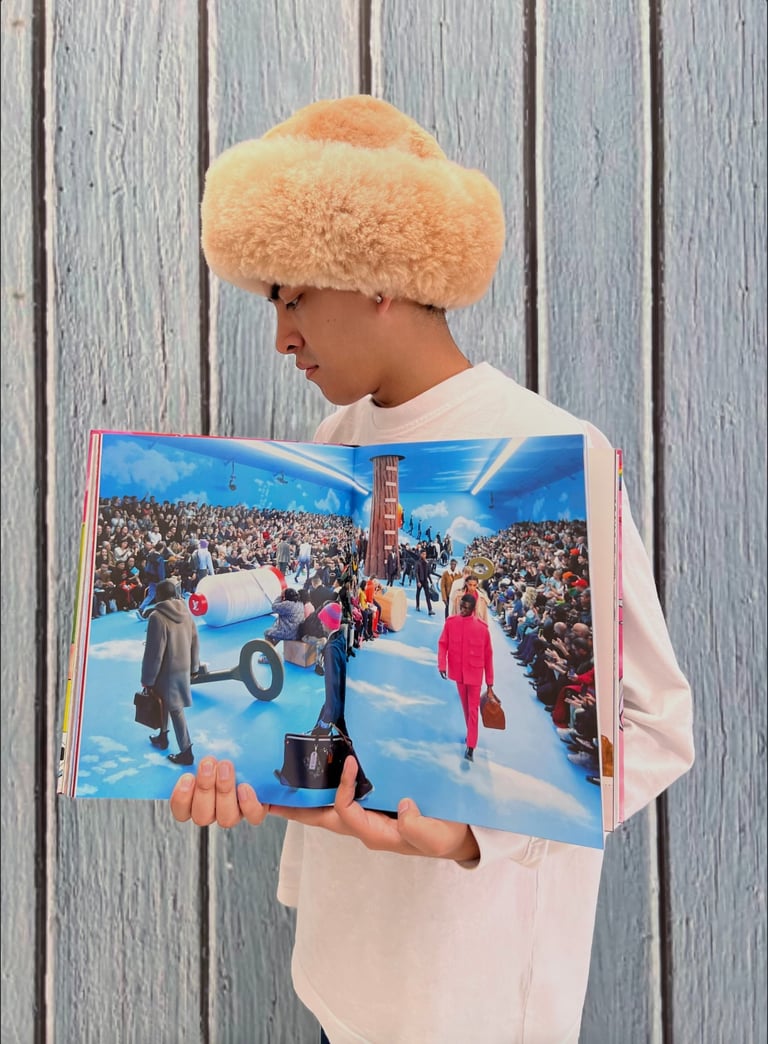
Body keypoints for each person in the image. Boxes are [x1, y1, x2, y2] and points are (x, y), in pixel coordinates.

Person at [169, 95, 694, 1042]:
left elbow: (657, 726)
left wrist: (473, 834)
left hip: (470, 995)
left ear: (377, 274)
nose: (281, 336)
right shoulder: (336, 435)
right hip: (344, 967)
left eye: (293, 296)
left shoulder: (553, 444)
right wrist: (236, 760)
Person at [307, 601, 373, 800]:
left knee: (330, 739)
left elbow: (332, 685)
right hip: (337, 704)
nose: (320, 624)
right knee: (334, 741)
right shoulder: (338, 640)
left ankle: (298, 772)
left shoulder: (330, 650)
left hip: (333, 706)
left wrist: (328, 717)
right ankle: (362, 783)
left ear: (327, 623)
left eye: (322, 621)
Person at [141, 578, 200, 765]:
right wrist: (194, 667)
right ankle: (163, 736)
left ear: (158, 595)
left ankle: (186, 751)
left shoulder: (157, 617)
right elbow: (194, 640)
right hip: (182, 667)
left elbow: (154, 653)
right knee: (166, 703)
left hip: (165, 670)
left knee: (175, 709)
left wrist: (147, 679)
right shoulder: (186, 612)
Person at [438, 592, 496, 761]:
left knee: (473, 709)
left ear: (473, 609)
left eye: (466, 608)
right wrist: (442, 664)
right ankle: (471, 734)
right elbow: (443, 644)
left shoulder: (482, 629)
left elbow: (488, 656)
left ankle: (471, 745)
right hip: (459, 673)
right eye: (461, 606)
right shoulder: (451, 623)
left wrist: (490, 683)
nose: (462, 610)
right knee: (466, 708)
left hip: (475, 674)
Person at [414, 549, 436, 615]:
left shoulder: (427, 563)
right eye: (423, 554)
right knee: (418, 594)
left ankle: (430, 610)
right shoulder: (417, 562)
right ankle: (417, 606)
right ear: (420, 554)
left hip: (425, 581)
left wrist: (431, 581)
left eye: (425, 554)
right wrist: (418, 581)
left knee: (427, 595)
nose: (424, 555)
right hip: (420, 581)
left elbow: (428, 573)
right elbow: (416, 573)